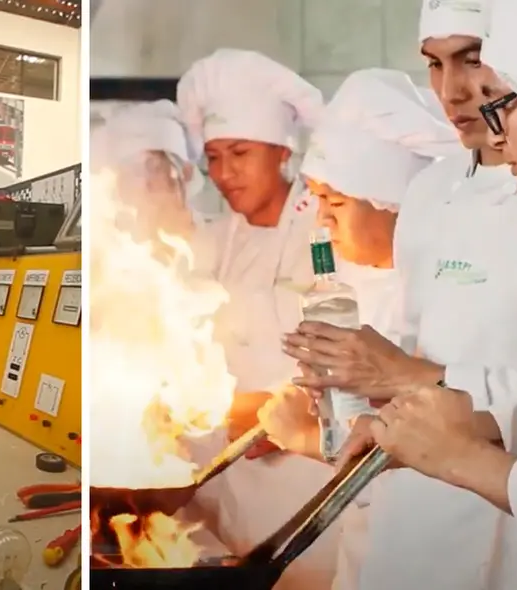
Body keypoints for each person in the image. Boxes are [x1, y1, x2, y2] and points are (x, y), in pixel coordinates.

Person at [280, 3, 517, 589]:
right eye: (434, 64)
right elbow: (415, 350)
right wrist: (362, 394)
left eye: (472, 59)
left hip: (514, 517)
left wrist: (407, 377)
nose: (452, 91)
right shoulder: (429, 192)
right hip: (414, 511)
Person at [235, 68, 460, 590]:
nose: (322, 220)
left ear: (394, 203)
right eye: (316, 198)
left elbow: (435, 441)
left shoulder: (438, 300)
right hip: (370, 544)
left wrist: (310, 439)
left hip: (431, 552)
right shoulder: (358, 285)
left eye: (335, 201)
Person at [175, 48, 335, 589]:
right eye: (213, 157)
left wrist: (279, 409)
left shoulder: (327, 229)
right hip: (228, 477)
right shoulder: (220, 237)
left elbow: (354, 354)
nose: (224, 174)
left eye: (240, 153)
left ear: (283, 150)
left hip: (305, 483)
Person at [90, 100, 202, 244]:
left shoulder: (207, 240)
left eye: (155, 168)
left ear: (185, 174)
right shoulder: (106, 240)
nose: (148, 183)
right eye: (135, 171)